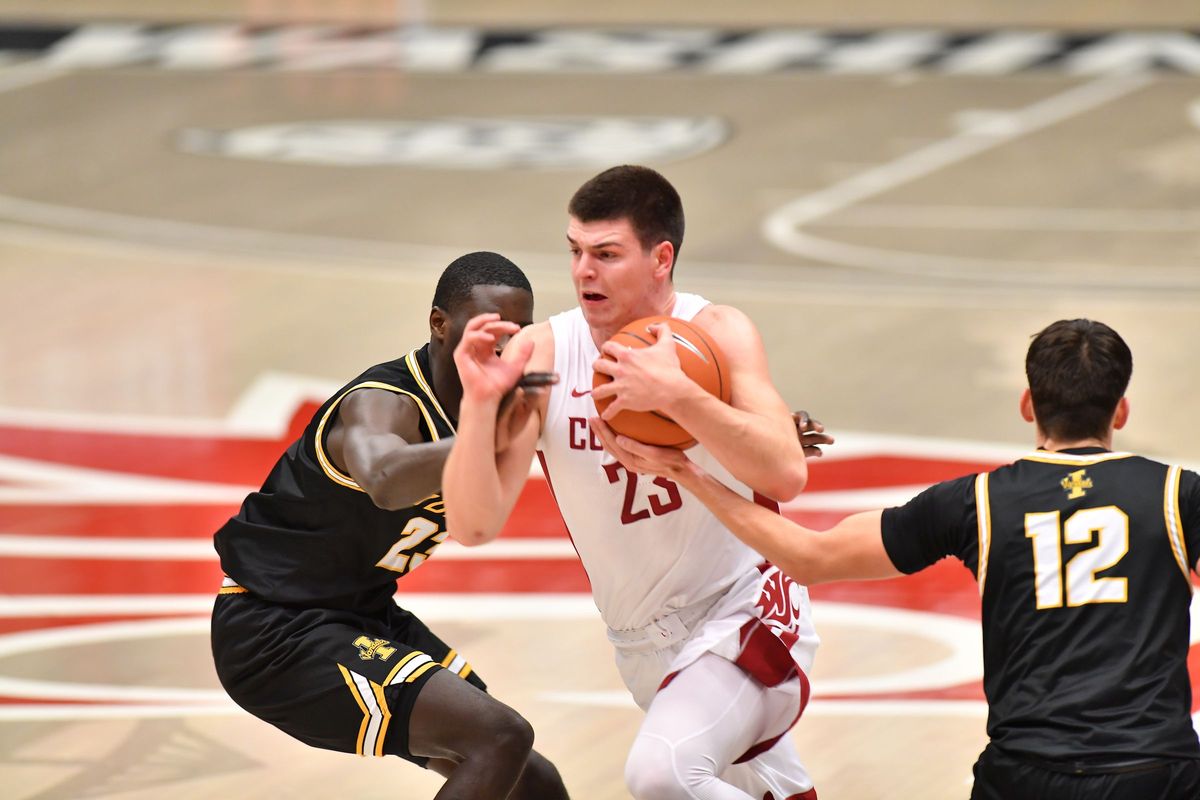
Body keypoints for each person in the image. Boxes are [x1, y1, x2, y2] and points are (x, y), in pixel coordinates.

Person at [609, 318, 1200, 800]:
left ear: (1027, 404)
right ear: (1120, 410)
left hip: (1027, 773)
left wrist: (687, 473)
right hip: (1156, 770)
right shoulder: (1180, 495)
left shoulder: (979, 503)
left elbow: (809, 558)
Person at [444, 165, 823, 800]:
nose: (583, 271)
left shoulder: (718, 332)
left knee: (661, 774)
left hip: (747, 611)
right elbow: (473, 525)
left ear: (660, 258)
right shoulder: (542, 355)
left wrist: (677, 394)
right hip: (640, 643)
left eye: (607, 254)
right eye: (575, 251)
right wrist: (479, 410)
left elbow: (787, 473)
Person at [211, 252, 569, 800]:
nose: (501, 345)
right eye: (486, 329)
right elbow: (385, 478)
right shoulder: (382, 403)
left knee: (530, 780)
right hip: (275, 628)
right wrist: (484, 436)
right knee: (498, 738)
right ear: (439, 323)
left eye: (515, 333)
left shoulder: (495, 405)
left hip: (362, 615)